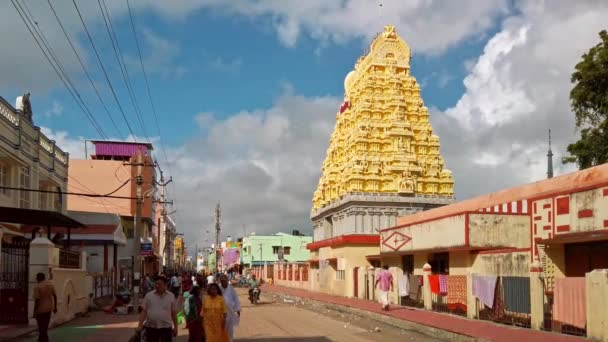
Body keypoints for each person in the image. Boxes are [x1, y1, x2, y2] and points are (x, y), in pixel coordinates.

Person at [137, 275, 178, 342]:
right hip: (151, 328)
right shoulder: (149, 296)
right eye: (156, 284)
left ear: (165, 285)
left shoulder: (171, 296)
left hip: (166, 328)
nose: (157, 286)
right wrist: (140, 325)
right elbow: (144, 312)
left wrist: (176, 327)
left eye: (159, 284)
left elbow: (174, 313)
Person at [33, 273, 57, 342]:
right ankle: (42, 340)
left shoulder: (37, 287)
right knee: (45, 327)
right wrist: (55, 307)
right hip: (49, 308)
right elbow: (55, 296)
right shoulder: (50, 285)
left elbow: (37, 300)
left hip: (40, 310)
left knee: (41, 328)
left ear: (38, 278)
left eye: (36, 278)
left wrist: (34, 311)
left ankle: (44, 340)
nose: (36, 279)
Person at [219, 274, 241, 342]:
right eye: (222, 280)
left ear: (227, 280)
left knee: (230, 330)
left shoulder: (231, 289)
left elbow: (236, 299)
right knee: (221, 329)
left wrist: (238, 309)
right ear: (220, 281)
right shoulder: (218, 289)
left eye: (224, 280)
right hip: (220, 312)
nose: (223, 282)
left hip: (229, 312)